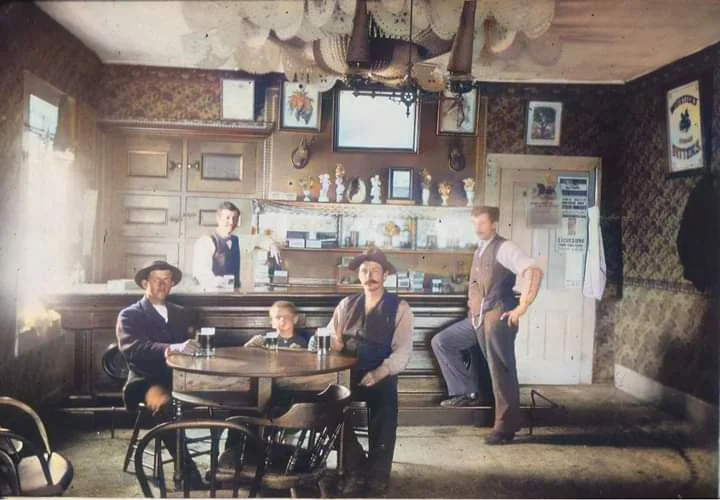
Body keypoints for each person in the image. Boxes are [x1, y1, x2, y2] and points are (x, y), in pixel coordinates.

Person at [431, 206, 543, 445]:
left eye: (481, 223)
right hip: (478, 318)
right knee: (443, 341)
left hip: (498, 317)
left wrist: (523, 306)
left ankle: (506, 426)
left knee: (500, 370)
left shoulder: (504, 247)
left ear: (493, 224)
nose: (477, 228)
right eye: (474, 224)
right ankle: (465, 392)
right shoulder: (480, 249)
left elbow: (533, 270)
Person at [328, 247, 414, 496]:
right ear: (359, 276)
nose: (370, 276)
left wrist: (380, 372)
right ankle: (354, 465)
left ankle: (378, 474)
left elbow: (402, 351)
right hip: (346, 372)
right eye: (365, 271)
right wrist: (331, 344)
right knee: (324, 407)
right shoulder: (346, 304)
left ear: (385, 274)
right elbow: (333, 336)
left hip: (381, 373)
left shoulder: (400, 308)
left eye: (376, 271)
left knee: (385, 409)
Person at [115, 260, 205, 486]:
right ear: (145, 283)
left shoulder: (181, 313)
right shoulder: (129, 315)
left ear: (172, 284)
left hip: (181, 378)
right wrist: (173, 348)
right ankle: (187, 475)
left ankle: (229, 467)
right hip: (146, 381)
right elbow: (134, 348)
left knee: (233, 397)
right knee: (165, 408)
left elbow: (191, 344)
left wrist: (194, 347)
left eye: (167, 280)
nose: (162, 284)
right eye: (157, 280)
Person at [192, 201, 242, 290]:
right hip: (212, 294)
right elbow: (202, 272)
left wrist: (271, 244)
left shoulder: (236, 240)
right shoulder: (206, 241)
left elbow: (259, 240)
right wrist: (220, 282)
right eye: (227, 218)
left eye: (235, 218)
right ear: (218, 219)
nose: (231, 222)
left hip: (233, 294)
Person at [244, 301, 309, 349]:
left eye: (286, 316)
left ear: (295, 319)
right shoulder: (265, 340)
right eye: (278, 317)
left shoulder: (301, 342)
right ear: (272, 322)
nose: (282, 319)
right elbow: (246, 356)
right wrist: (250, 344)